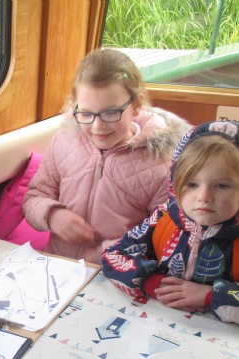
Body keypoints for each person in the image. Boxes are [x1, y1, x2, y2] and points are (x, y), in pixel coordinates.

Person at [23, 48, 190, 264]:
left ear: (136, 106)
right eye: (86, 113)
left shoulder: (161, 163)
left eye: (111, 112)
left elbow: (164, 232)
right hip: (58, 264)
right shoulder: (63, 142)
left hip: (116, 272)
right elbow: (34, 197)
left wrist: (106, 252)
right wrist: (52, 215)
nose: (97, 126)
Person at [101, 121, 239, 324]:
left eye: (222, 185)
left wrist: (210, 296)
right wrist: (151, 282)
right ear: (175, 183)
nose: (204, 197)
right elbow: (112, 256)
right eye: (192, 184)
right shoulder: (164, 217)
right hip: (159, 323)